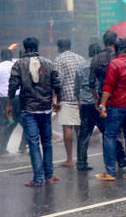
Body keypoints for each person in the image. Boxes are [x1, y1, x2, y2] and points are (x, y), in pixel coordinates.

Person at [7, 37, 62, 187]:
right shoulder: (48, 63)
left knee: (33, 143)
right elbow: (57, 83)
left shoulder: (19, 64)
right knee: (47, 142)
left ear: (25, 48)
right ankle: (49, 175)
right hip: (45, 108)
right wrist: (58, 102)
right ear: (38, 47)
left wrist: (9, 104)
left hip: (28, 109)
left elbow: (13, 85)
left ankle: (38, 178)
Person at [96, 38, 126, 181]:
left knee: (110, 136)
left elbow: (108, 87)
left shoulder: (114, 64)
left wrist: (102, 105)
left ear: (116, 50)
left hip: (117, 105)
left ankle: (110, 172)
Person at [89, 30, 126, 168]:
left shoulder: (96, 58)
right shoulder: (121, 57)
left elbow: (91, 82)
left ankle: (112, 164)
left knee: (108, 132)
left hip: (104, 98)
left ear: (103, 41)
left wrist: (96, 99)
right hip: (123, 97)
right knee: (124, 130)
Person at [54, 38, 86, 167]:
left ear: (59, 47)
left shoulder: (59, 60)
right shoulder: (80, 58)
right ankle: (81, 158)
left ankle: (69, 159)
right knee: (79, 128)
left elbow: (58, 81)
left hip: (66, 97)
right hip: (80, 97)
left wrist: (55, 98)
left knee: (67, 127)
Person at [74, 43, 103, 171]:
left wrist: (79, 100)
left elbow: (77, 87)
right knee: (108, 132)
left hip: (85, 104)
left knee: (84, 134)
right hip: (99, 103)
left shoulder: (81, 66)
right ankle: (117, 162)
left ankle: (81, 163)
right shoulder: (102, 65)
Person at [0, 49, 18, 156]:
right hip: (17, 97)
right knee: (23, 122)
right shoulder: (16, 64)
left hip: (4, 99)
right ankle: (25, 146)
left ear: (1, 57)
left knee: (3, 124)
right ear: (11, 57)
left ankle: (2, 149)